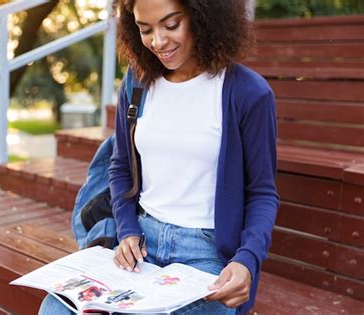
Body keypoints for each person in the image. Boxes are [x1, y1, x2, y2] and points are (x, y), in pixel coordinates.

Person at [38, 0, 278, 314]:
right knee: (54, 309)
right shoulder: (136, 83)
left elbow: (262, 192)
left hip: (205, 252)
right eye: (145, 29)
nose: (158, 42)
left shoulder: (248, 93)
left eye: (171, 24)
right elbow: (121, 166)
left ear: (202, 16)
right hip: (140, 243)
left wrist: (247, 260)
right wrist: (126, 231)